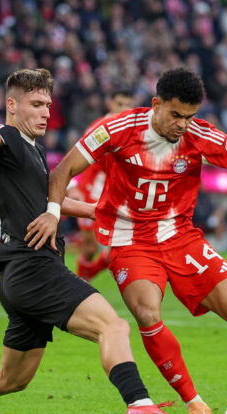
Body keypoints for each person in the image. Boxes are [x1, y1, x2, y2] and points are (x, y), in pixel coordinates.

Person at [26, 67, 227, 414]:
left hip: (181, 237)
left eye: (190, 116)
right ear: (156, 104)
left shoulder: (199, 135)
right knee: (147, 312)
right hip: (130, 240)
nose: (183, 125)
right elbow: (63, 170)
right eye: (176, 115)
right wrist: (52, 213)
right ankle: (194, 403)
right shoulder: (118, 128)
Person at [0, 68, 191, 414]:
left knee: (12, 378)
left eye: (48, 105)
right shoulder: (6, 138)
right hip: (34, 266)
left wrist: (102, 209)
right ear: (12, 105)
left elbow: (52, 201)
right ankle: (139, 402)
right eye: (36, 104)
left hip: (19, 275)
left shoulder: (34, 148)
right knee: (113, 326)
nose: (45, 112)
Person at [69, 90, 135, 281]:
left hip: (115, 195)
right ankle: (81, 286)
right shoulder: (100, 128)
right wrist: (73, 185)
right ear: (110, 104)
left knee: (123, 245)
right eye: (120, 104)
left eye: (128, 104)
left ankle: (84, 280)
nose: (124, 109)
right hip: (90, 192)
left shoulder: (134, 130)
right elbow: (76, 154)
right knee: (89, 248)